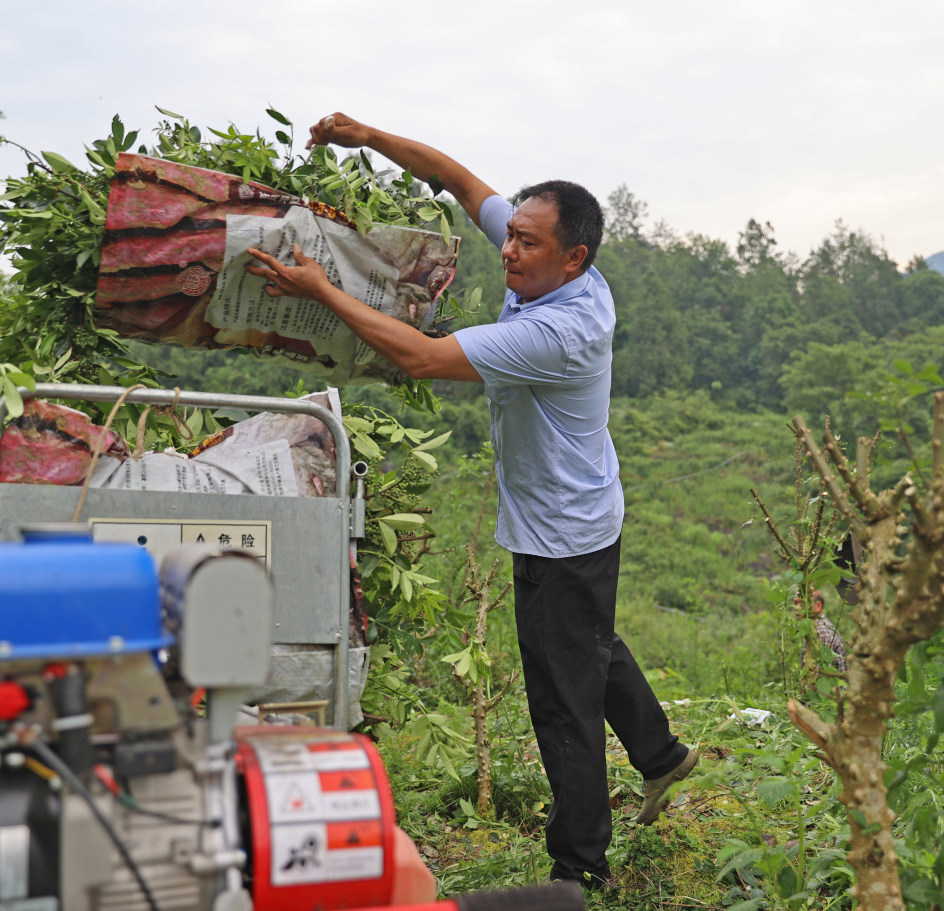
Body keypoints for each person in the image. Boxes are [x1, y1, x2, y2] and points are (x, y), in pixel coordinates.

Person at [245, 113, 699, 887]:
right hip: (583, 509)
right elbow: (455, 178)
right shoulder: (553, 267)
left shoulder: (560, 330)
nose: (509, 250)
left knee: (561, 698)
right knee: (586, 639)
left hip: (561, 530)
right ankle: (661, 755)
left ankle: (579, 869)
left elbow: (422, 358)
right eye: (510, 234)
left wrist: (320, 289)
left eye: (527, 243)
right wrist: (367, 136)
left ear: (574, 258)